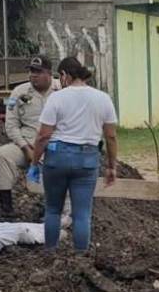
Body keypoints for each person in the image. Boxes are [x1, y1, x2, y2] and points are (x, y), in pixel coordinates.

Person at [32, 57, 118, 251]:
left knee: (53, 210)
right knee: (82, 214)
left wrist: (34, 163)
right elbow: (111, 137)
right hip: (87, 159)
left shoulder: (57, 98)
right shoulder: (103, 98)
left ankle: (50, 252)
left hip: (57, 159)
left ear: (64, 75)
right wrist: (112, 166)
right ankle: (80, 258)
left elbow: (43, 136)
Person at [0, 56, 59, 216]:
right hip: (27, 143)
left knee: (55, 163)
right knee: (2, 155)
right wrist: (25, 147)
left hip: (54, 144)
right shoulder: (19, 92)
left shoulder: (61, 90)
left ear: (49, 73)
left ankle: (50, 207)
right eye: (31, 71)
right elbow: (11, 125)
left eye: (38, 72)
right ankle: (6, 208)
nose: (33, 75)